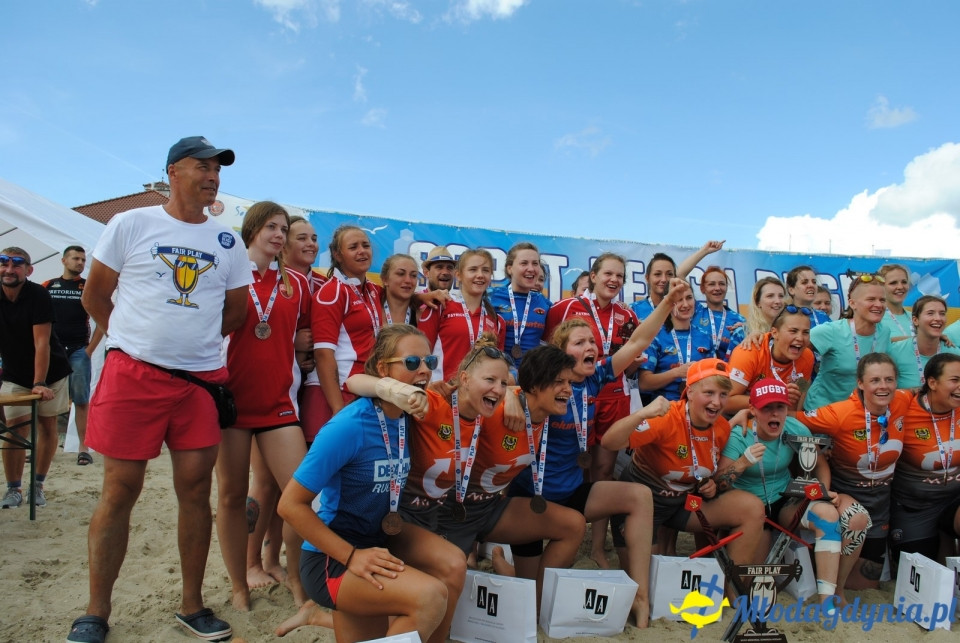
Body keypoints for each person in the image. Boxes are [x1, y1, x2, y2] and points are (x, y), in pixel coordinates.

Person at [65, 136, 248, 643]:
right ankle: (95, 612)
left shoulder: (226, 240)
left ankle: (192, 606)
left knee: (194, 489)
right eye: (201, 166)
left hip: (199, 384)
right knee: (120, 490)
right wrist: (134, 340)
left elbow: (236, 312)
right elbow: (95, 295)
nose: (212, 176)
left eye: (217, 169)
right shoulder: (131, 223)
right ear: (172, 171)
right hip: (134, 377)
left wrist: (191, 344)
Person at [347, 338, 586, 642]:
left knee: (572, 523)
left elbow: (498, 383)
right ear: (535, 387)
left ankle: (533, 609)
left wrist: (509, 391)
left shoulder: (520, 409)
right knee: (434, 602)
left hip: (486, 509)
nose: (568, 388)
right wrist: (403, 389)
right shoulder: (483, 409)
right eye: (559, 382)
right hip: (442, 511)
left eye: (570, 381)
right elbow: (356, 381)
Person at [509, 278, 692, 627]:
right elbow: (505, 381)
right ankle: (508, 570)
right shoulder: (536, 387)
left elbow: (639, 339)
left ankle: (639, 595)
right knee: (529, 605)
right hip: (531, 499)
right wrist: (507, 395)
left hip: (573, 493)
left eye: (593, 340)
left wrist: (667, 302)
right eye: (581, 342)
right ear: (561, 353)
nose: (592, 346)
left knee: (638, 496)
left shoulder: (594, 380)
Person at [275, 325, 453, 642]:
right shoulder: (349, 425)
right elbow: (289, 505)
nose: (424, 369)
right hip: (332, 556)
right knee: (430, 597)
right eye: (412, 362)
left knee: (451, 567)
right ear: (384, 370)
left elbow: (472, 386)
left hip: (378, 538)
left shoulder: (410, 413)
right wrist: (351, 556)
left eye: (429, 361)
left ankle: (322, 618)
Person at [214, 201, 311, 611]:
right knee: (233, 496)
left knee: (300, 496)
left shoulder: (298, 284)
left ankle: (296, 578)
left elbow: (304, 335)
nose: (278, 234)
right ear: (252, 228)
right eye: (271, 226)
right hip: (231, 401)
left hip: (278, 403)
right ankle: (239, 584)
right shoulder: (227, 273)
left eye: (283, 228)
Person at [716, 379, 871, 607]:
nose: (774, 414)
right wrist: (742, 463)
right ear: (752, 410)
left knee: (832, 516)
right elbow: (720, 483)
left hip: (784, 499)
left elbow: (819, 464)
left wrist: (823, 491)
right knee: (747, 589)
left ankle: (828, 599)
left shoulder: (794, 428)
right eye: (766, 408)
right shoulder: (740, 434)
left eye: (780, 407)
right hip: (749, 510)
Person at [604, 359, 765, 578]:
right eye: (708, 393)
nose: (717, 402)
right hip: (642, 505)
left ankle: (733, 588)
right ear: (689, 392)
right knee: (649, 586)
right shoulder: (666, 417)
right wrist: (641, 415)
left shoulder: (720, 428)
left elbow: (701, 466)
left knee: (752, 508)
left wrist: (709, 484)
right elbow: (609, 443)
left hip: (682, 504)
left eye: (723, 395)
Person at [545, 252, 640, 565]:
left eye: (620, 276)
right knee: (573, 465)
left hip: (613, 396)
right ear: (594, 276)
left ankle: (598, 546)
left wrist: (634, 365)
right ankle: (563, 535)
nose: (613, 280)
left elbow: (637, 353)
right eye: (608, 274)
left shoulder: (626, 315)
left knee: (603, 470)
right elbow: (548, 352)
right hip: (577, 392)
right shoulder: (565, 308)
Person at [796, 353, 912, 590]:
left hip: (882, 498)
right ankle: (835, 590)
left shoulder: (903, 400)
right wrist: (747, 415)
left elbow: (932, 393)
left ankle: (840, 581)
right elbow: (793, 419)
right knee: (854, 525)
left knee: (865, 583)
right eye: (875, 380)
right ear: (860, 383)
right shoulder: (840, 413)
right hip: (846, 492)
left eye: (889, 380)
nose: (883, 386)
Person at [0, 247, 72, 508]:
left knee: (46, 425)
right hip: (15, 372)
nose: (9, 269)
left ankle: (37, 486)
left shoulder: (38, 294)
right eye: (3, 262)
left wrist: (40, 383)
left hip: (51, 371)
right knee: (14, 430)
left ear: (28, 270)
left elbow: (42, 343)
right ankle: (14, 489)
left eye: (17, 264)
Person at [890, 353, 960, 565]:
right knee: (920, 570)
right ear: (932, 382)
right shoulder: (903, 407)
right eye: (955, 380)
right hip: (913, 507)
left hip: (954, 501)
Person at [43, 245, 103, 465]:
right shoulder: (48, 286)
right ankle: (42, 447)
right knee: (44, 399)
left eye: (83, 260)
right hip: (52, 352)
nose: (80, 263)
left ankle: (83, 448)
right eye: (76, 258)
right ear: (63, 261)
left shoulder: (87, 288)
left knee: (81, 400)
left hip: (78, 350)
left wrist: (89, 351)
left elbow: (104, 319)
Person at [803, 273, 892, 411]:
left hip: (858, 413)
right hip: (822, 413)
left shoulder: (884, 332)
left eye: (882, 300)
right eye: (871, 299)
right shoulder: (831, 331)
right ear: (852, 303)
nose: (878, 305)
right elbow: (793, 352)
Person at [419, 248, 505, 383]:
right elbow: (420, 354)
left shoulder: (497, 321)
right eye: (473, 270)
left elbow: (497, 366)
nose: (480, 275)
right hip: (442, 395)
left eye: (486, 270)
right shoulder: (440, 307)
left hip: (478, 398)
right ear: (458, 275)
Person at [725, 305, 815, 412]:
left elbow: (797, 402)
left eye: (806, 332)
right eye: (793, 331)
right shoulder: (749, 352)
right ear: (775, 333)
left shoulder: (807, 357)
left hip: (780, 417)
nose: (800, 338)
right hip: (743, 415)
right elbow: (726, 402)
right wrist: (775, 396)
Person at [638, 284, 714, 401]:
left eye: (689, 298)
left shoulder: (705, 336)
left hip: (698, 408)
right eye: (679, 300)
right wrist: (677, 373)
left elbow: (714, 377)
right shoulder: (655, 336)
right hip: (664, 409)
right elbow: (643, 383)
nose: (685, 304)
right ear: (668, 303)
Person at [489, 242, 551, 366]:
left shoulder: (545, 303)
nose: (531, 268)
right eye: (524, 263)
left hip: (532, 377)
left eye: (535, 263)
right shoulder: (491, 297)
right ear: (509, 268)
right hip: (499, 376)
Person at [630, 241, 724, 320]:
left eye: (669, 274)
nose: (664, 279)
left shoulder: (685, 308)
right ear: (647, 278)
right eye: (657, 274)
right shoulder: (634, 310)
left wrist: (705, 250)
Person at [887, 295, 960, 390]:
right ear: (915, 320)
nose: (938, 318)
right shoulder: (894, 352)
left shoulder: (954, 353)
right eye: (930, 313)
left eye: (942, 313)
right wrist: (909, 392)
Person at [692, 265, 745, 361]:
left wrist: (746, 331)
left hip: (727, 373)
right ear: (702, 289)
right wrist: (705, 251)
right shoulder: (695, 311)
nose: (717, 288)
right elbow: (679, 276)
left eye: (721, 284)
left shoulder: (739, 320)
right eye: (712, 284)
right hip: (699, 372)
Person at [379, 254, 421, 327]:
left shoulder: (421, 317)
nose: (408, 280)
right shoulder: (371, 313)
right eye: (401, 274)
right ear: (385, 279)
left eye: (413, 275)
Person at [878, 263, 913, 340]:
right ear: (881, 286)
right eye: (893, 283)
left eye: (904, 282)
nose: (900, 287)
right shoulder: (875, 318)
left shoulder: (916, 317)